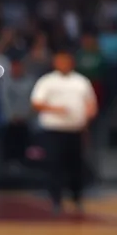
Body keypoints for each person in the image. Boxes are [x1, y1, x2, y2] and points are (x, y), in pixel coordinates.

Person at [30, 50, 98, 213]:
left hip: (75, 130)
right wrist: (56, 109)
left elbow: (91, 104)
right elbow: (36, 103)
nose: (63, 64)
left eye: (66, 61)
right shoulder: (47, 81)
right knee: (55, 165)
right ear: (55, 63)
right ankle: (56, 200)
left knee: (76, 166)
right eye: (60, 61)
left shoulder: (81, 82)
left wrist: (88, 116)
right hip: (53, 130)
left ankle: (77, 198)